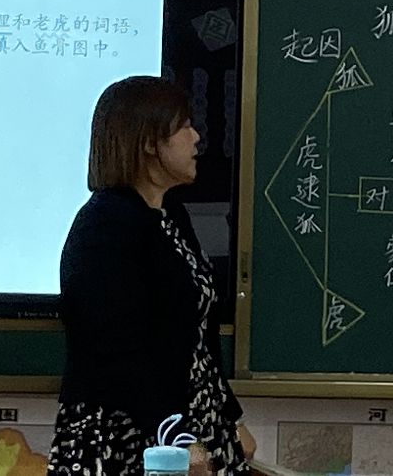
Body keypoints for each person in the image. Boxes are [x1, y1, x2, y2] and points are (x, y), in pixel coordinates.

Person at [48, 76, 256, 476]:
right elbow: (114, 349)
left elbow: (197, 339)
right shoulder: (103, 226)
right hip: (127, 436)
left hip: (193, 424)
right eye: (184, 126)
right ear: (148, 142)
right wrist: (174, 436)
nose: (196, 137)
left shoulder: (170, 216)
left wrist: (231, 418)